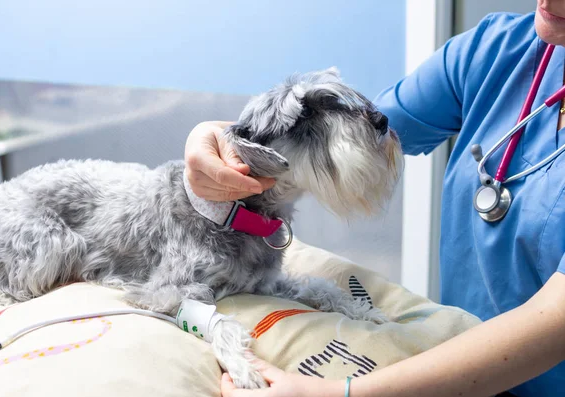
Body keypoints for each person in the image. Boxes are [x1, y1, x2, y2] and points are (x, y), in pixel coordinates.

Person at [184, 3, 565, 396]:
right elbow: (359, 130)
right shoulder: (497, 50)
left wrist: (337, 393)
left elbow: (556, 321)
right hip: (446, 360)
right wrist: (216, 137)